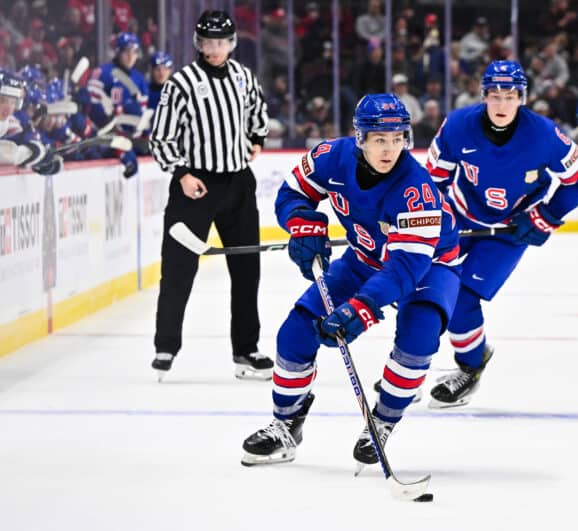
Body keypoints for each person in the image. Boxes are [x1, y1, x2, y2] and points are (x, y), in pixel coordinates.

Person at [240, 93, 461, 468]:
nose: (390, 149)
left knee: (418, 339)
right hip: (363, 258)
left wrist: (362, 308)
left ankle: (384, 420)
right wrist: (302, 224)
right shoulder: (331, 157)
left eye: (397, 138)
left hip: (430, 265)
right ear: (360, 137)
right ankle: (286, 424)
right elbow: (293, 192)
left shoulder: (417, 189)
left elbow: (406, 267)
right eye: (379, 139)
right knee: (295, 332)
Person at [423, 60, 578, 408]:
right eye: (495, 95)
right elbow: (433, 179)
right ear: (484, 95)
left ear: (522, 97)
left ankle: (471, 367)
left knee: (461, 300)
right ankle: (410, 364)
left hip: (510, 229)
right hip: (459, 215)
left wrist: (546, 215)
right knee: (420, 283)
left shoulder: (544, 135)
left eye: (510, 96)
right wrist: (433, 219)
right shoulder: (458, 125)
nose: (501, 104)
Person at [148, 10, 271, 382]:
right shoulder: (181, 83)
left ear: (232, 44)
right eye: (208, 43)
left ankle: (246, 350)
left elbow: (258, 112)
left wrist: (256, 138)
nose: (215, 49)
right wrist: (182, 173)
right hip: (195, 186)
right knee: (178, 268)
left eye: (221, 43)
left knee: (247, 270)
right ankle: (166, 345)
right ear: (198, 44)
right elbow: (161, 137)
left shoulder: (242, 76)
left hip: (237, 185)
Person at [87, 32, 148, 178]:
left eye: (134, 52)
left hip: (131, 135)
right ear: (118, 51)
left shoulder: (139, 79)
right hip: (105, 133)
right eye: (127, 51)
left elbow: (142, 114)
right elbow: (91, 106)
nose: (130, 56)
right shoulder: (103, 73)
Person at [0, 69, 62, 175]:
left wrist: (38, 157)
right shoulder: (10, 121)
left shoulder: (4, 122)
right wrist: (30, 153)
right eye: (2, 100)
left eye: (14, 102)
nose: (9, 108)